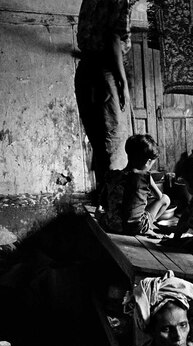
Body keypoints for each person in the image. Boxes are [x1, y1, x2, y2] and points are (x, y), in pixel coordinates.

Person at [75, 0, 136, 204]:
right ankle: (114, 206)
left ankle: (103, 202)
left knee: (100, 143)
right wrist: (122, 81)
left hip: (86, 71)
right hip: (105, 72)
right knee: (115, 145)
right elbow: (114, 38)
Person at [102, 134, 171, 235]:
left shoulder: (113, 175)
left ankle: (146, 224)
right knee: (165, 199)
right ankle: (149, 225)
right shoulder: (144, 176)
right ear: (148, 162)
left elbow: (104, 201)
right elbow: (159, 197)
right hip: (133, 227)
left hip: (111, 224)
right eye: (152, 164)